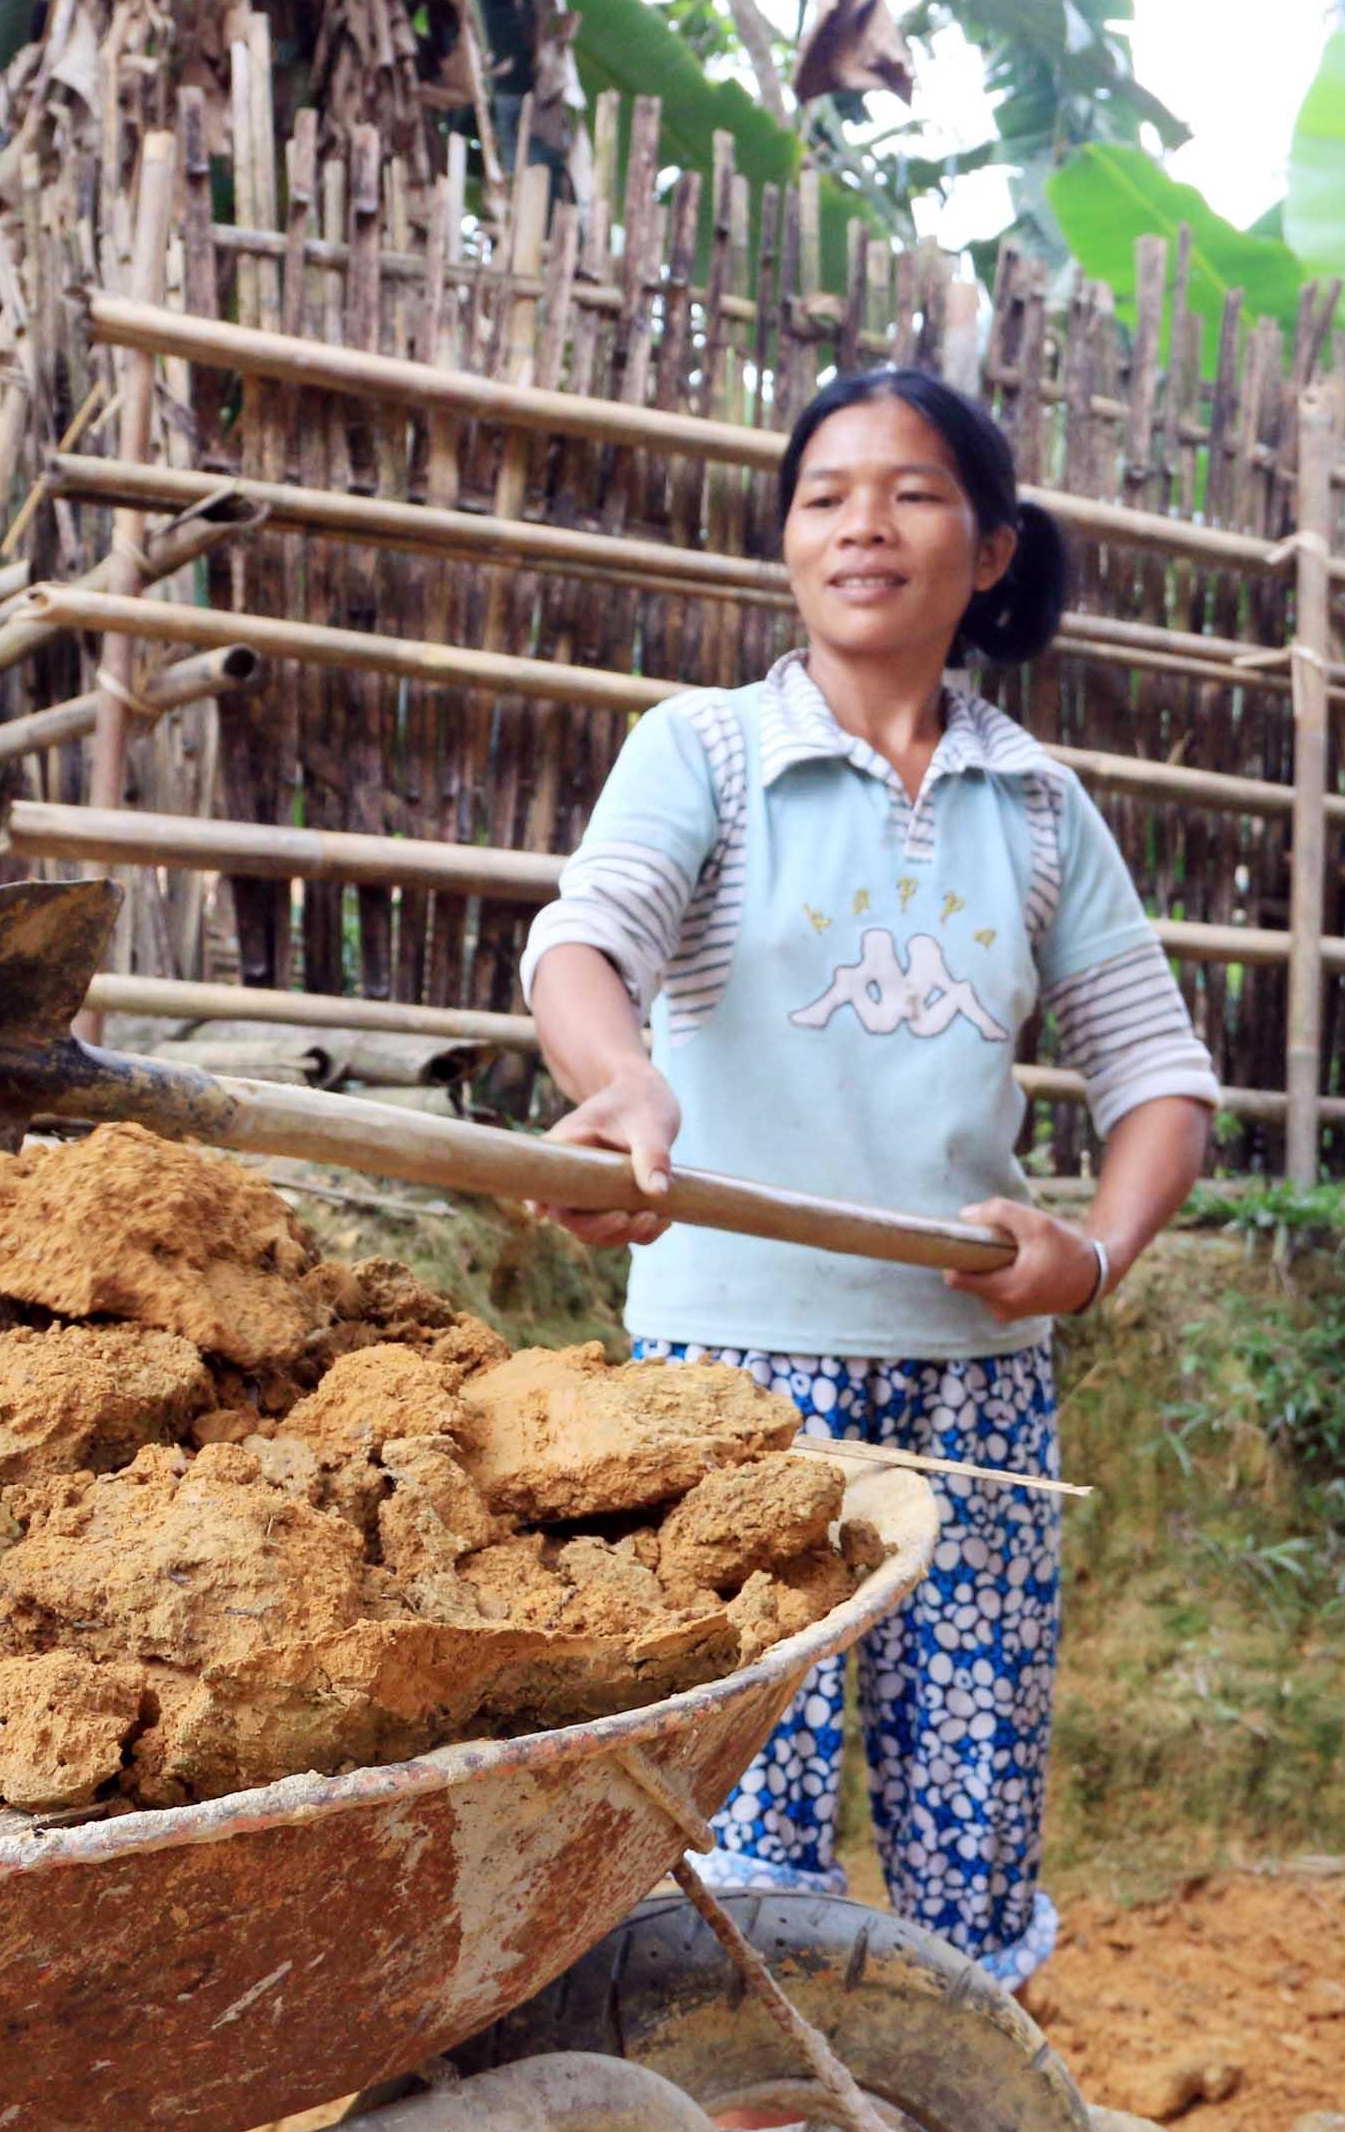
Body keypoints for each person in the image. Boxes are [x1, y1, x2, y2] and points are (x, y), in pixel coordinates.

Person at [518, 365, 1217, 1993]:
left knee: (965, 1845)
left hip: (979, 1401)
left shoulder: (1040, 808)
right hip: (728, 1396)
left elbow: (1161, 1078)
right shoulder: (705, 752)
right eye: (825, 495)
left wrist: (1091, 1258)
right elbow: (584, 943)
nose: (861, 527)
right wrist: (622, 1086)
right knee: (724, 1838)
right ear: (785, 541)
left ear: (988, 550)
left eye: (908, 493)